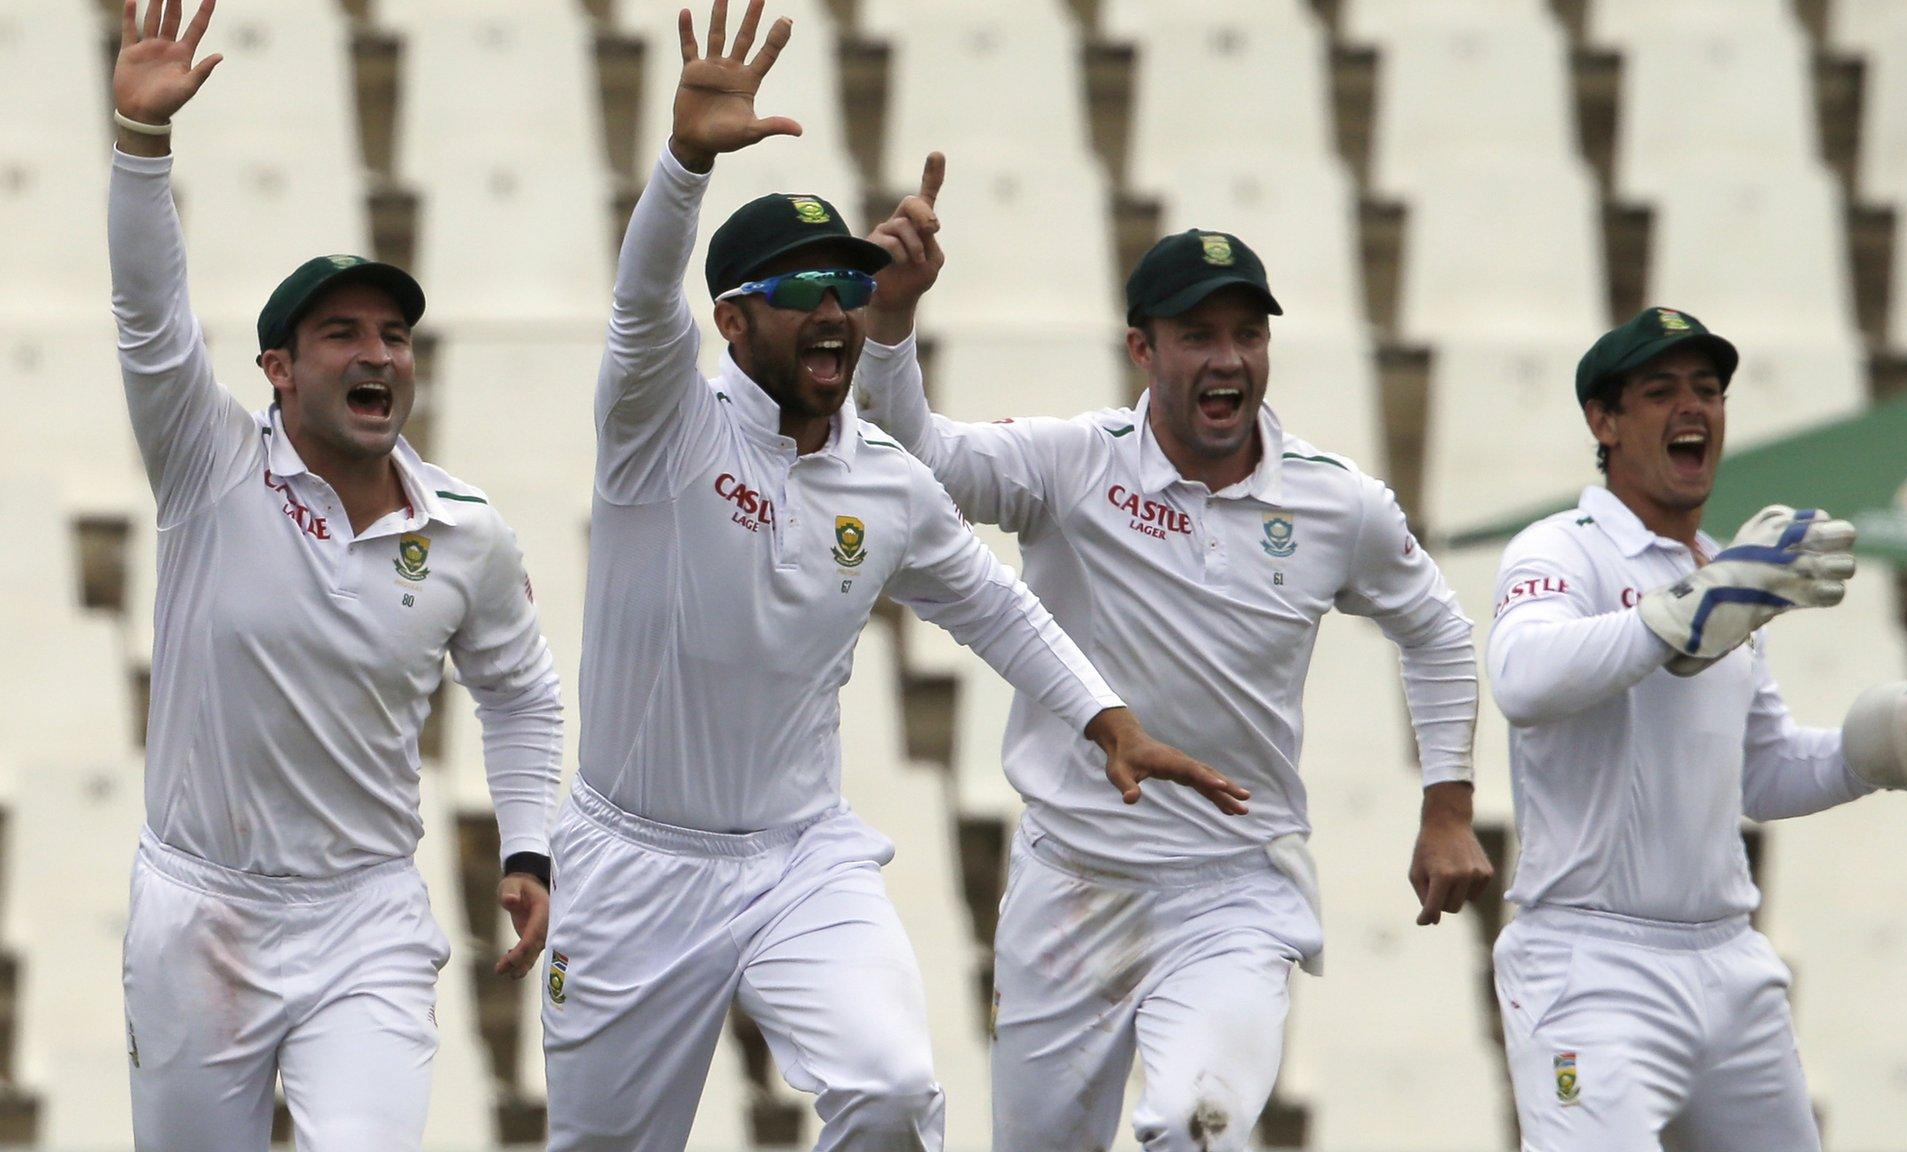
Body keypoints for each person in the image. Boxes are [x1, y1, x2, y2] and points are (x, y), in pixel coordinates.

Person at [542, 4, 1242, 1149]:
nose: (833, 310)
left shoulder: (886, 480)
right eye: (800, 289)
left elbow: (994, 608)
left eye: (846, 285)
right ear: (730, 320)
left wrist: (1107, 720)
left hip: (797, 858)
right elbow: (635, 308)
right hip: (634, 863)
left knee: (892, 1092)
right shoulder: (658, 426)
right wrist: (682, 165)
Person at [852, 165, 1495, 1149]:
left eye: (1247, 332)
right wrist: (889, 324)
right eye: (1197, 335)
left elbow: (1438, 633)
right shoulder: (1075, 464)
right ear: (1141, 349)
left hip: (1232, 888)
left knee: (1199, 1128)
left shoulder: (1334, 503)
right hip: (1068, 884)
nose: (1228, 358)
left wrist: (1446, 806)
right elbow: (916, 466)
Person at [108, 2, 565, 1148]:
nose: (377, 356)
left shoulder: (466, 530)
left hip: (363, 914)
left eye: (394, 336)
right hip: (201, 912)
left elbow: (518, 692)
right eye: (342, 335)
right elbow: (149, 322)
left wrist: (524, 847)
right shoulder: (208, 465)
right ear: (277, 368)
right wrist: (137, 143)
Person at [1485, 306, 1907, 1148]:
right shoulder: (1560, 551)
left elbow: (1765, 770)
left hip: (1729, 963)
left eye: (1709, 391)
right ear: (1603, 421)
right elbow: (1523, 680)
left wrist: (1905, 737)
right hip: (1590, 965)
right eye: (1660, 391)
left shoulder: (1722, 567)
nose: (1694, 409)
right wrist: (1683, 616)